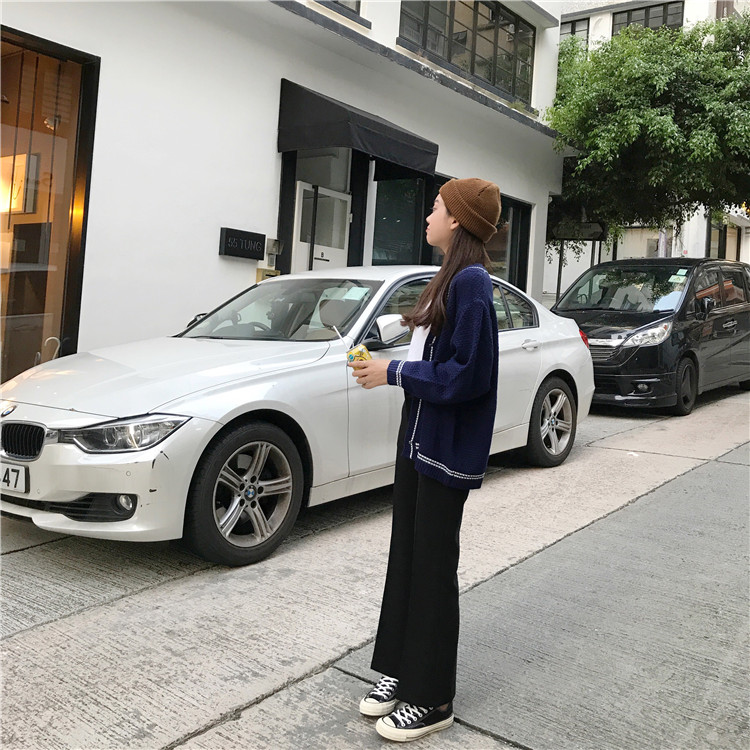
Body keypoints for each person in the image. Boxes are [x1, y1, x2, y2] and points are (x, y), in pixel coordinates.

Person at [348, 177, 501, 742]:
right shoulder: (448, 278)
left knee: (432, 569)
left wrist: (391, 372)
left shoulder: (471, 282)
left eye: (436, 207)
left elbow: (467, 375)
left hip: (443, 449)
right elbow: (434, 357)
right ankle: (400, 671)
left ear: (457, 220)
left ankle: (432, 697)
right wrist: (390, 361)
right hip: (418, 440)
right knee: (408, 560)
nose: (428, 215)